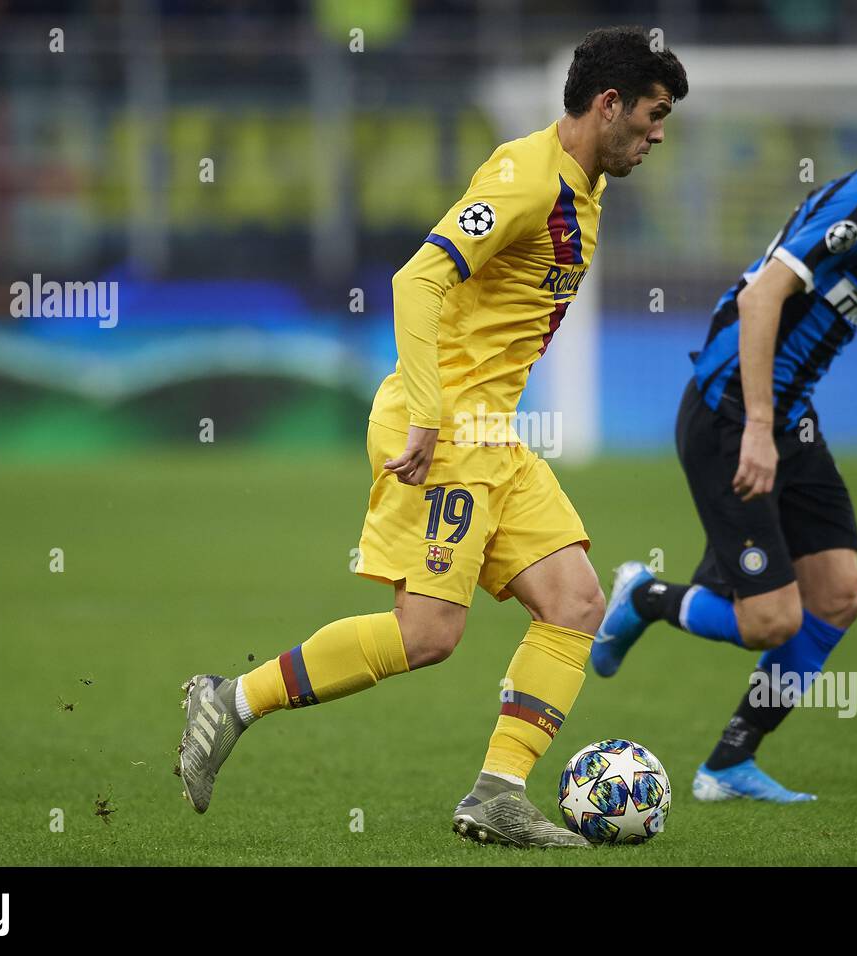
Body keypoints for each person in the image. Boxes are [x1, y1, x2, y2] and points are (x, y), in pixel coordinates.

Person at [177, 26, 688, 847]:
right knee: (428, 636)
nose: (659, 135)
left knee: (577, 601)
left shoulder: (583, 186)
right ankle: (229, 701)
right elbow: (416, 279)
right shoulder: (526, 177)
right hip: (445, 428)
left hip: (493, 433)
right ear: (608, 104)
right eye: (654, 115)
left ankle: (497, 793)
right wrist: (424, 412)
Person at [593, 86, 857, 804]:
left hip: (788, 420)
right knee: (769, 620)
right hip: (728, 413)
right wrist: (755, 427)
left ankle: (727, 765)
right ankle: (643, 595)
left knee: (838, 596)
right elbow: (759, 298)